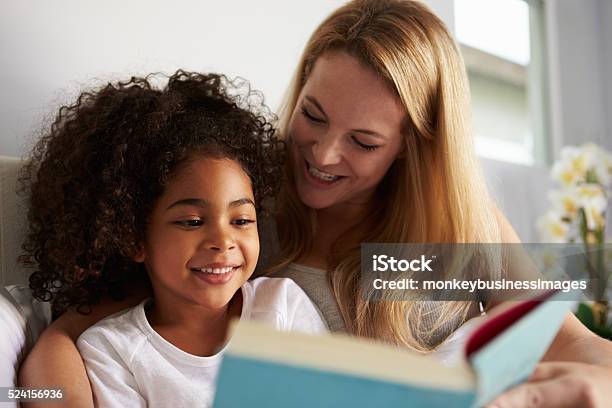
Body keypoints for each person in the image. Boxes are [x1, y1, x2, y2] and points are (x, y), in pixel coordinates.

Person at [20, 1, 612, 407]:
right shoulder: (245, 218)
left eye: (363, 142)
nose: (322, 155)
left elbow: (572, 341)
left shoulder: (460, 228)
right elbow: (69, 333)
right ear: (300, 87)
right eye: (313, 115)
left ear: (414, 146)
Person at [18, 71, 327, 407]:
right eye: (193, 221)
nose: (223, 240)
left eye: (241, 220)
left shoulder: (281, 307)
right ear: (133, 237)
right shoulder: (111, 350)